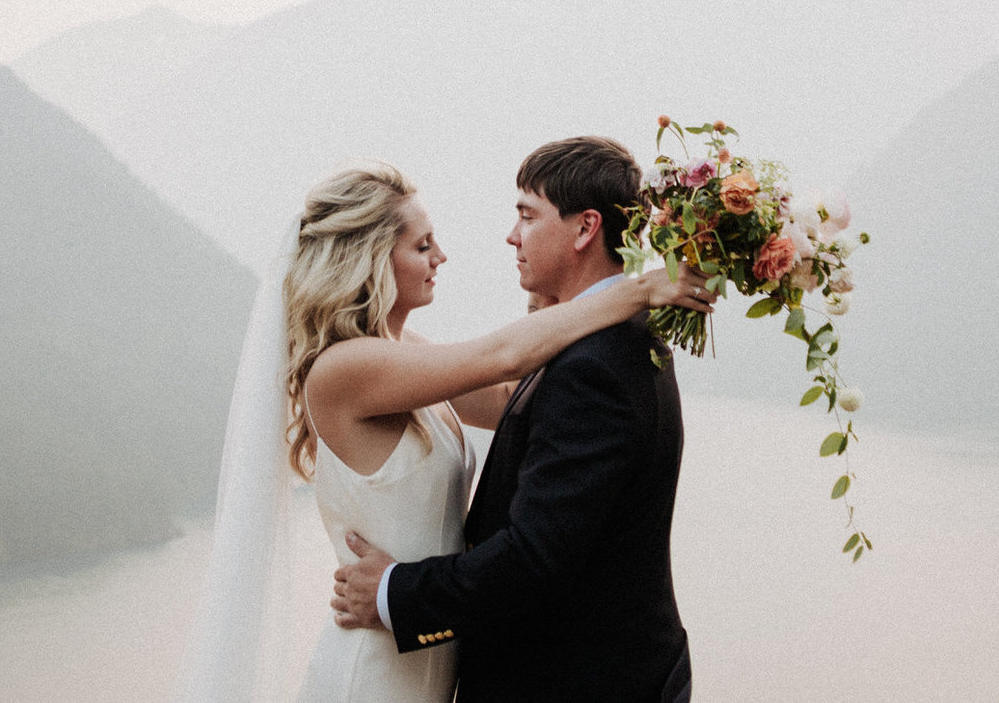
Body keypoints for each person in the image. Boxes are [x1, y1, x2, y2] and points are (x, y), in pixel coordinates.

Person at [178, 152, 713, 703]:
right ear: (371, 258)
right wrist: (632, 290)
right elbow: (503, 359)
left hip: (431, 649)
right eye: (421, 245)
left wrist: (554, 306)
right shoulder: (347, 369)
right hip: (380, 662)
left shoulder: (406, 356)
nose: (441, 256)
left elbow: (512, 395)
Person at [327, 136, 699, 703]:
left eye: (527, 215)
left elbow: (534, 559)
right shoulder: (594, 344)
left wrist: (394, 593)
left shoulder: (590, 365)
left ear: (585, 228)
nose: (511, 235)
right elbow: (496, 375)